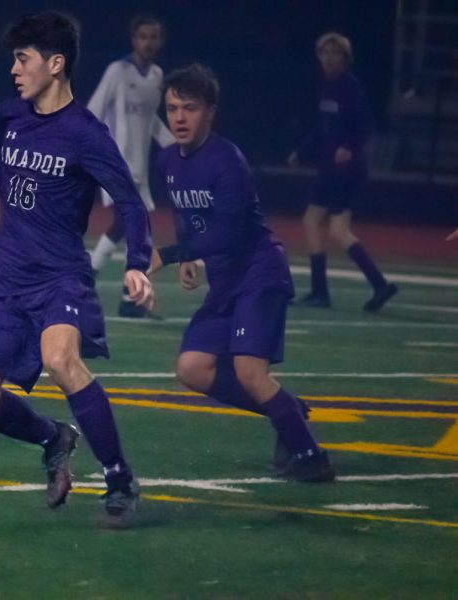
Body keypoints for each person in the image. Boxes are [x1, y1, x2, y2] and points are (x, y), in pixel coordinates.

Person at [0, 11, 155, 528]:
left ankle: (119, 480)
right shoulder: (15, 116)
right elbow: (1, 165)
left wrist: (138, 263)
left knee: (62, 360)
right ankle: (54, 438)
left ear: (55, 64)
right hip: (5, 281)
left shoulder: (85, 134)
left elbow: (130, 201)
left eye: (23, 58)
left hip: (59, 279)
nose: (14, 69)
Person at [150, 63, 335, 482]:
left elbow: (229, 232)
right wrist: (192, 260)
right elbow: (186, 214)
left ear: (210, 112)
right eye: (173, 108)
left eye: (190, 109)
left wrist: (172, 253)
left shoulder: (227, 161)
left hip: (259, 272)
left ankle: (312, 457)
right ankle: (288, 411)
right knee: (192, 369)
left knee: (251, 372)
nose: (179, 117)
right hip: (227, 281)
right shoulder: (167, 161)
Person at [288, 32, 396, 312]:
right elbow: (322, 128)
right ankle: (320, 291)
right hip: (329, 169)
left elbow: (366, 126)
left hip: (346, 171)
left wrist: (349, 147)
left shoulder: (350, 88)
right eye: (325, 53)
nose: (329, 58)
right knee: (312, 220)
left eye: (335, 54)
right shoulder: (326, 86)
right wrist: (301, 151)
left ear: (346, 59)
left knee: (337, 230)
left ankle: (378, 285)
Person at [87, 15, 175, 318]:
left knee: (129, 227)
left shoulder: (156, 76)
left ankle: (122, 293)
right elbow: (94, 111)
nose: (148, 43)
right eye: (143, 37)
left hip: (139, 168)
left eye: (154, 37)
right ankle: (113, 289)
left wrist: (178, 147)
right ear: (133, 40)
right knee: (132, 226)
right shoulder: (118, 72)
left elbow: (151, 122)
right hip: (115, 164)